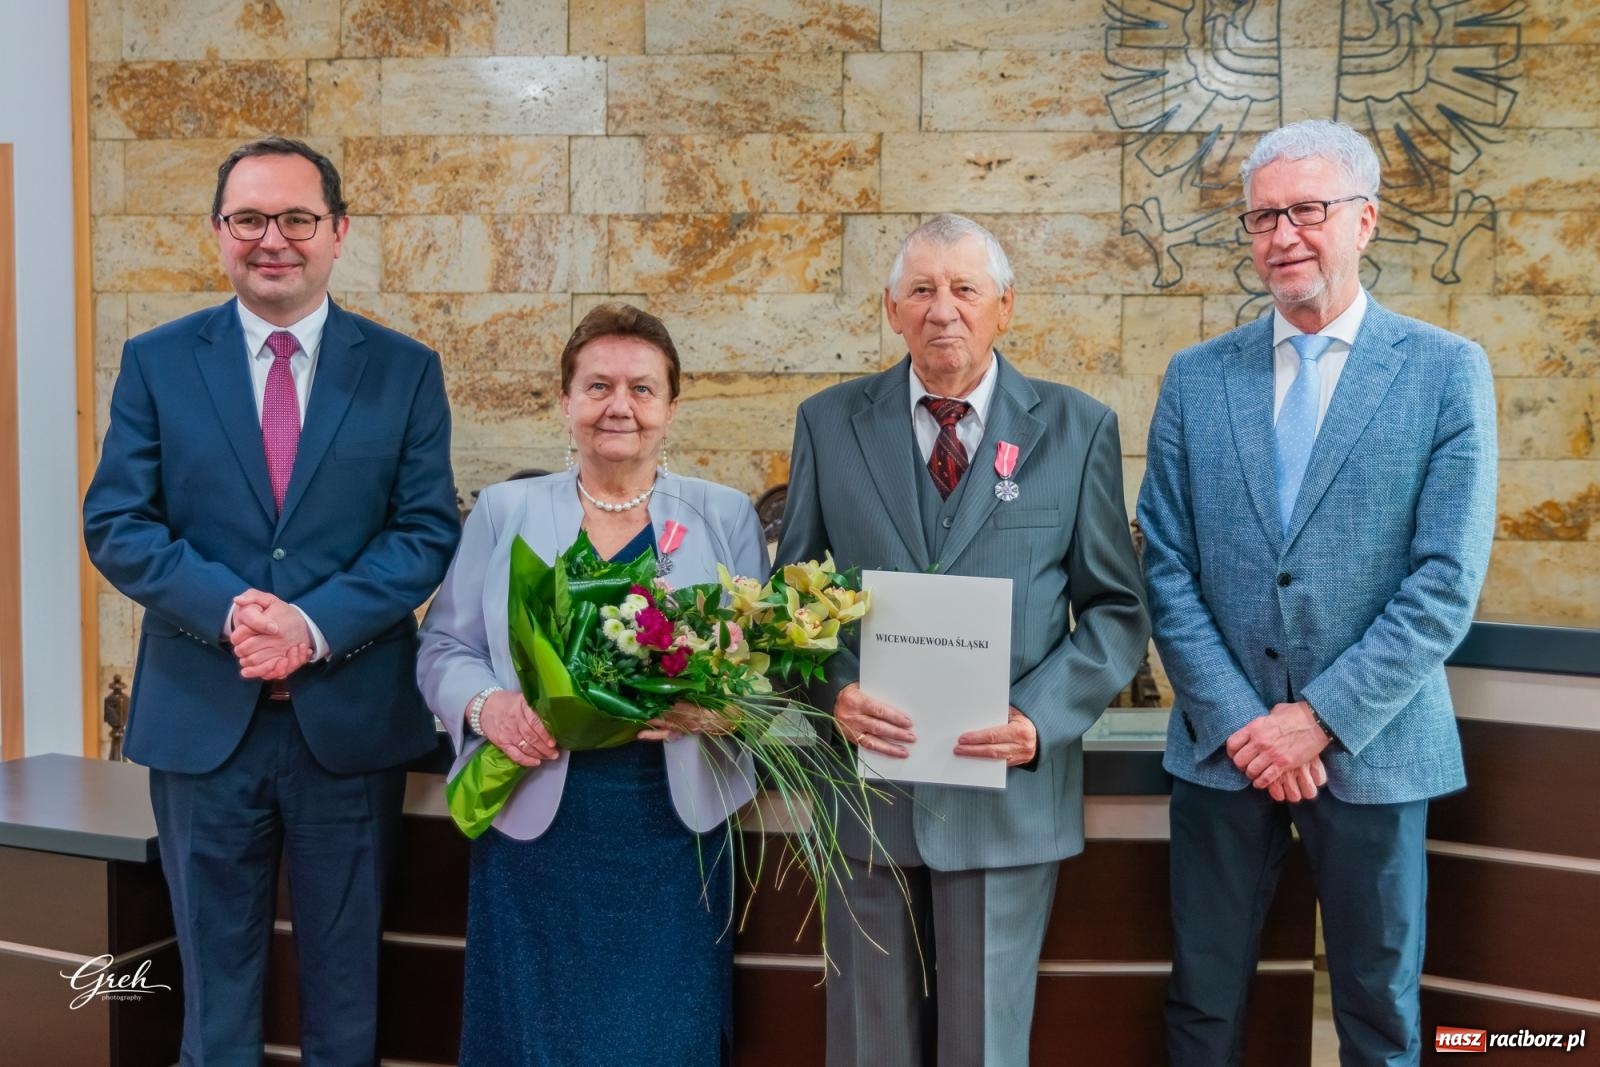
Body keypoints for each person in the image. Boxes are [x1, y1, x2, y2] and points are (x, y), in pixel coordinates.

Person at [82, 136, 461, 1064]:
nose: (272, 239)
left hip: (350, 728)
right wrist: (233, 611)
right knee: (213, 998)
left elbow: (424, 533)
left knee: (346, 994)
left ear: (337, 232)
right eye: (249, 219)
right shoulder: (158, 361)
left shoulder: (404, 369)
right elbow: (118, 522)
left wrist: (309, 624)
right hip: (204, 722)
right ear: (218, 234)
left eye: (296, 218)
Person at [1139, 119, 1498, 1065]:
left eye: (1308, 209)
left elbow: (1444, 581)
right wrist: (1245, 722)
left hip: (1376, 745)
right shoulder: (1193, 377)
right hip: (1225, 750)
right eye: (1263, 216)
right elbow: (1165, 564)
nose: (1283, 235)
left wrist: (1321, 719)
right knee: (1202, 1003)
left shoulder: (1445, 371)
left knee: (1380, 1015)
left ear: (1365, 219)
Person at [774, 214, 1150, 1066]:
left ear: (1005, 307)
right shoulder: (828, 423)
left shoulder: (1077, 427)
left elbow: (1117, 611)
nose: (943, 309)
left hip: (1005, 795)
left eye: (964, 288)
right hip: (868, 795)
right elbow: (788, 594)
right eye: (921, 289)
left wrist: (1038, 718)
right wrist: (832, 690)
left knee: (985, 1048)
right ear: (891, 309)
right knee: (870, 1046)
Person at [416, 303, 766, 1065]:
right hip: (538, 827)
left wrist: (721, 707)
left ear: (672, 406)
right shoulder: (508, 511)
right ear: (565, 400)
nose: (620, 406)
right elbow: (443, 644)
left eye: (642, 389)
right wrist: (490, 703)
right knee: (535, 1039)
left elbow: (760, 674)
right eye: (598, 385)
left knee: (661, 1039)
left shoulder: (724, 516)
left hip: (674, 832)